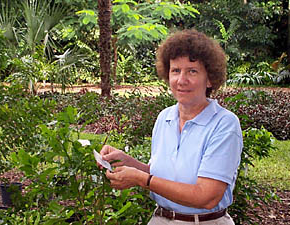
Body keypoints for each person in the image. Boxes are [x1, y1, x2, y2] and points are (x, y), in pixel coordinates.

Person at [99, 29, 243, 225]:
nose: (181, 80)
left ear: (209, 79)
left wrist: (142, 179)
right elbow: (164, 175)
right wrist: (128, 163)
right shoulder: (165, 117)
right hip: (160, 219)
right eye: (176, 70)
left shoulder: (224, 125)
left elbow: (207, 197)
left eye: (192, 71)